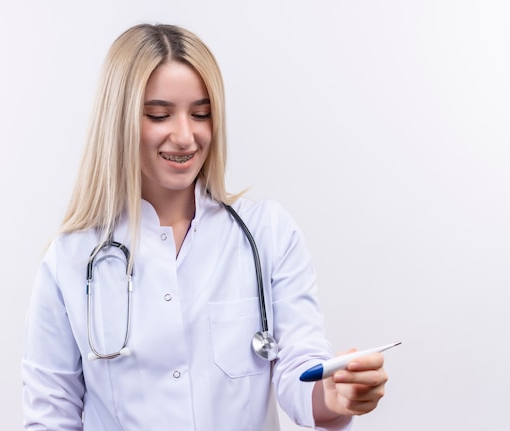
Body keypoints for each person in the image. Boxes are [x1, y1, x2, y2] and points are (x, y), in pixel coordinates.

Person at [22, 23, 389, 431]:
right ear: (119, 120)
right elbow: (50, 416)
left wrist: (336, 396)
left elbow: (300, 372)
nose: (185, 136)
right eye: (159, 115)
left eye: (201, 114)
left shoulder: (267, 233)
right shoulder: (71, 259)